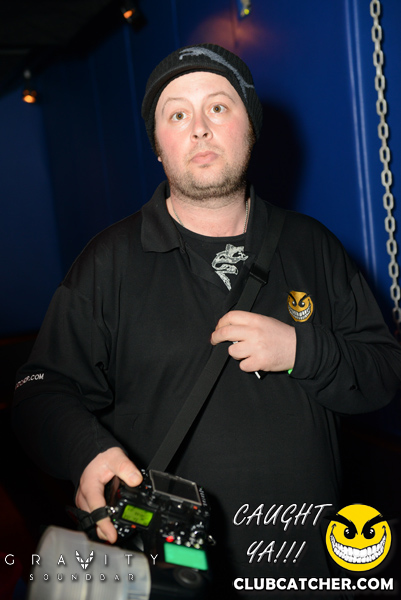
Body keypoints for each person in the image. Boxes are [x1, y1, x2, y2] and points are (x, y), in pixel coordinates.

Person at [13, 44, 401, 598]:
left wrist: (302, 350)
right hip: (172, 576)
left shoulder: (313, 245)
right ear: (159, 147)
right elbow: (40, 389)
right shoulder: (109, 262)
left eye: (218, 106)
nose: (199, 127)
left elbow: (385, 371)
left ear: (250, 128)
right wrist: (87, 453)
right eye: (177, 114)